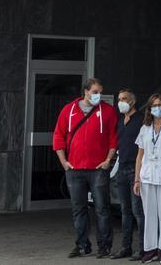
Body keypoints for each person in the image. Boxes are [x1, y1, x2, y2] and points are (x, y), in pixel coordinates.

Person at [53, 77, 119, 259]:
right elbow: (58, 135)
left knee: (102, 208)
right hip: (74, 169)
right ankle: (82, 245)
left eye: (100, 92)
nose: (99, 95)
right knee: (78, 209)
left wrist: (108, 160)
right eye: (95, 92)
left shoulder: (108, 111)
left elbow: (114, 137)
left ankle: (104, 246)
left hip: (98, 168)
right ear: (86, 91)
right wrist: (63, 162)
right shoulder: (69, 110)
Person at [134, 93, 161, 264]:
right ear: (149, 109)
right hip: (147, 177)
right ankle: (150, 249)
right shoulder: (145, 128)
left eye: (160, 105)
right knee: (149, 214)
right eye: (154, 105)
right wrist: (137, 180)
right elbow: (139, 156)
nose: (157, 108)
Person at [113, 89, 146, 260]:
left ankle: (142, 248)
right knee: (124, 210)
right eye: (119, 99)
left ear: (132, 101)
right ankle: (126, 246)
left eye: (124, 99)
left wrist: (139, 175)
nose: (121, 102)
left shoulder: (141, 120)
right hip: (122, 167)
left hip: (135, 168)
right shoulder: (120, 120)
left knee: (137, 211)